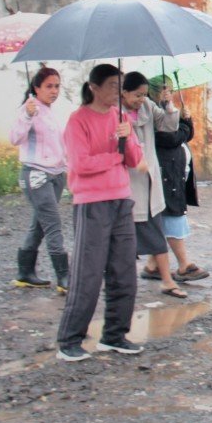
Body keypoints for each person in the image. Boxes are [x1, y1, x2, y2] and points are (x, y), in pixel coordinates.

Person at [54, 63, 147, 362]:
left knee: (124, 272)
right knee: (88, 273)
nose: (115, 91)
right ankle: (70, 339)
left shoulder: (121, 117)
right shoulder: (77, 120)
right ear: (93, 87)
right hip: (91, 203)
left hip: (121, 199)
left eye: (118, 85)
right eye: (110, 85)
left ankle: (115, 334)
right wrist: (114, 154)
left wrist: (126, 136)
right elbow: (80, 164)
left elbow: (133, 160)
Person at [122, 73, 190, 298]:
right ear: (123, 92)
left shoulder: (148, 106)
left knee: (156, 232)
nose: (141, 99)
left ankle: (167, 280)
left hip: (149, 179)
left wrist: (168, 105)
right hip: (127, 183)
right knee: (123, 238)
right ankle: (120, 283)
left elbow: (168, 126)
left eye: (143, 95)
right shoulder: (115, 114)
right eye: (136, 95)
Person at [9, 66, 69, 292]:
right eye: (49, 86)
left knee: (40, 225)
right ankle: (64, 277)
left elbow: (59, 145)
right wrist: (27, 115)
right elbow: (14, 138)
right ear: (36, 88)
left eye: (57, 86)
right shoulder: (29, 110)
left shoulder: (50, 111)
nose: (54, 91)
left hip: (55, 175)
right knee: (53, 224)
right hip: (36, 175)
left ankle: (25, 272)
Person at [149, 77, 207, 287]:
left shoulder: (169, 108)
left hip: (175, 171)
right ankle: (184, 265)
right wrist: (180, 123)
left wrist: (186, 120)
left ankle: (153, 265)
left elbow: (186, 135)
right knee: (172, 215)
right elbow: (170, 137)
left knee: (166, 215)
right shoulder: (152, 111)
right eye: (164, 89)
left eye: (171, 89)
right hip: (165, 171)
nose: (169, 93)